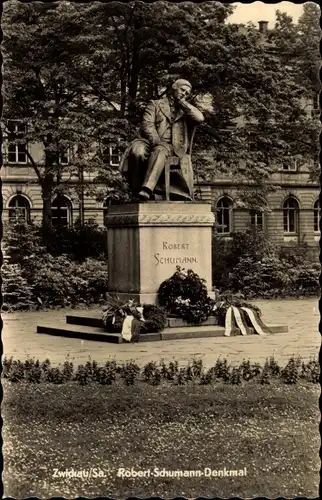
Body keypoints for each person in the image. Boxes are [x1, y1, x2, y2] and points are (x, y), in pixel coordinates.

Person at [120, 79, 204, 201]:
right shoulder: (155, 104)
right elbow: (147, 125)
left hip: (172, 146)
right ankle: (135, 190)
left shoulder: (185, 110)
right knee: (136, 151)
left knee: (160, 150)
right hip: (150, 141)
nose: (184, 94)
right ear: (174, 88)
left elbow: (200, 118)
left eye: (186, 93)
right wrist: (156, 141)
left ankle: (147, 189)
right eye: (182, 90)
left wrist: (183, 103)